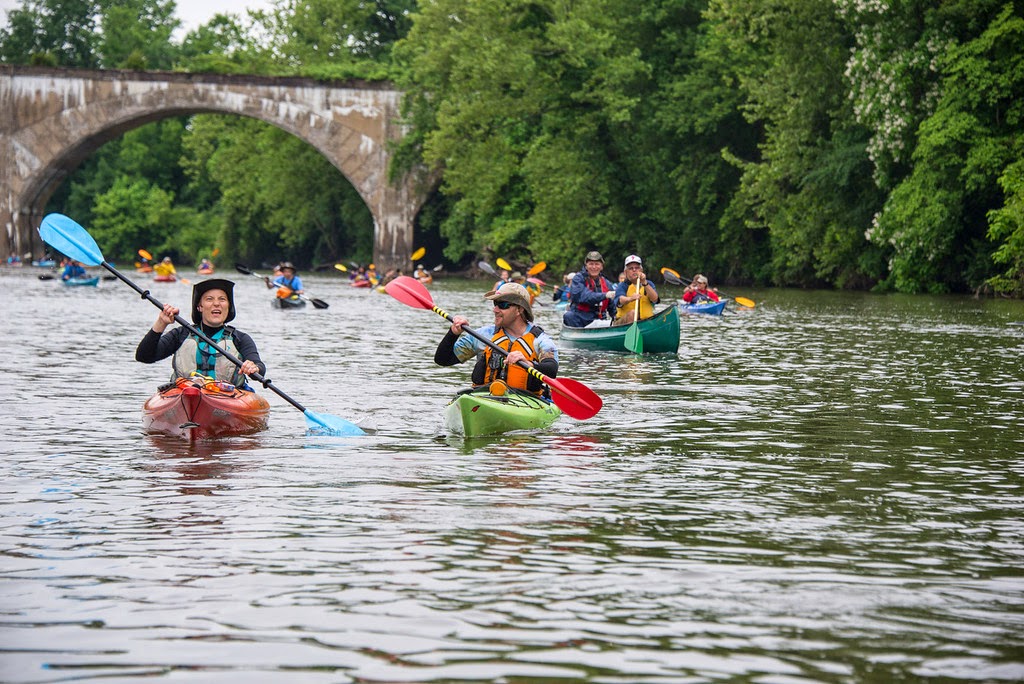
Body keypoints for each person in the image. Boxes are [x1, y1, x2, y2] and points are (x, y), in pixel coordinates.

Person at [135, 279, 265, 390]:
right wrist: (161, 323)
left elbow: (260, 368)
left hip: (227, 396)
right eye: (209, 299)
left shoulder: (240, 339)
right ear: (199, 307)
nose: (216, 303)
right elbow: (144, 356)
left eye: (222, 299)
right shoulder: (181, 334)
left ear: (228, 306)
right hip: (186, 393)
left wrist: (254, 368)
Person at [434, 282, 558, 398]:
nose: (495, 309)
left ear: (519, 309)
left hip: (525, 401)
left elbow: (551, 370)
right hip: (486, 397)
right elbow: (443, 360)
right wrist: (453, 333)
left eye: (502, 305)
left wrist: (529, 364)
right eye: (495, 304)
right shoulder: (484, 335)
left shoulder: (540, 340)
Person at [562, 250, 617, 328]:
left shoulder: (606, 283)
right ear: (586, 266)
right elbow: (584, 296)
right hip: (580, 319)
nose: (594, 267)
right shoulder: (578, 279)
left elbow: (612, 307)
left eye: (597, 264)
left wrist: (616, 317)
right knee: (568, 316)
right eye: (591, 264)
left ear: (601, 266)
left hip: (599, 320)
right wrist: (605, 295)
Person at [613, 255, 660, 325]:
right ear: (625, 272)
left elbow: (655, 299)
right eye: (631, 268)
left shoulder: (648, 284)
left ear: (641, 270)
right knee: (633, 313)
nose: (634, 270)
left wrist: (644, 283)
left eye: (637, 268)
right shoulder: (622, 285)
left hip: (645, 321)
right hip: (623, 322)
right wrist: (631, 298)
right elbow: (620, 300)